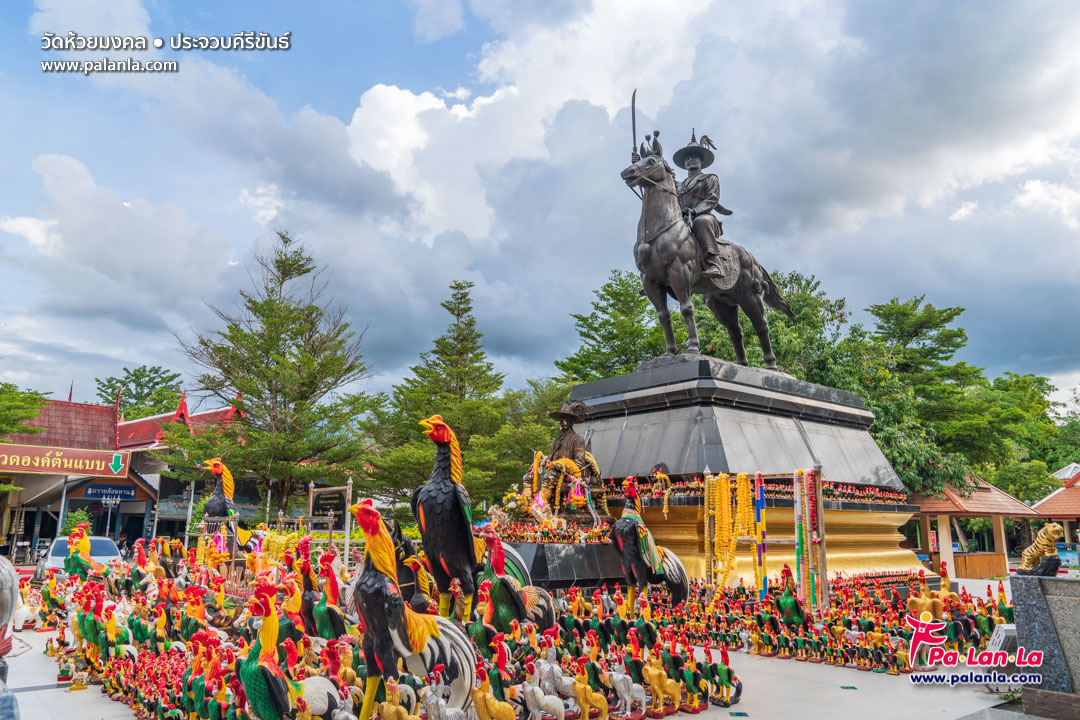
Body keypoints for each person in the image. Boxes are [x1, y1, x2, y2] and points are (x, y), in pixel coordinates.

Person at [672, 130, 733, 283]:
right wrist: (639, 161)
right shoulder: (677, 185)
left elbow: (712, 199)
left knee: (702, 221)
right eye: (688, 158)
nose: (691, 160)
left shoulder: (710, 178)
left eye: (694, 157)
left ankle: (715, 263)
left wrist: (695, 211)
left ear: (701, 161)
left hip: (704, 218)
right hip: (683, 219)